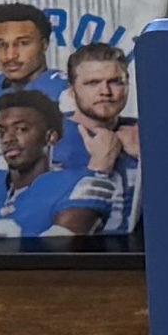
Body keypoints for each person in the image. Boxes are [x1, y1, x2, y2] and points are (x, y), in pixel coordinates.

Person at [0, 2, 85, 180]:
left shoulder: (65, 90)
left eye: (22, 43)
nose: (10, 55)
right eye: (1, 44)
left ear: (44, 45)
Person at [52, 40, 144, 248]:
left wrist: (144, 157)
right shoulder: (47, 135)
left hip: (138, 260)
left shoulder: (147, 133)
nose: (105, 91)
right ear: (72, 91)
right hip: (72, 262)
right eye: (93, 83)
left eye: (116, 82)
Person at [0, 87, 78, 245]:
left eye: (21, 129)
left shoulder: (74, 186)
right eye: (1, 132)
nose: (8, 139)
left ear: (50, 136)